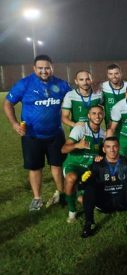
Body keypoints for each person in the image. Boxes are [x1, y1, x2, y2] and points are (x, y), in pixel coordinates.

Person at [3, 54, 71, 211]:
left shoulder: (61, 85)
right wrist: (14, 123)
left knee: (57, 165)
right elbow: (8, 104)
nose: (44, 71)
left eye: (47, 67)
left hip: (55, 134)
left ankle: (61, 194)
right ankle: (37, 198)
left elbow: (76, 98)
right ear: (34, 68)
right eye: (40, 68)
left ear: (52, 68)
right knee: (35, 168)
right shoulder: (24, 84)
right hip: (32, 136)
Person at [79, 137, 127, 238]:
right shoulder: (97, 164)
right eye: (108, 147)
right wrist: (83, 181)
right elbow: (83, 186)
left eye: (115, 146)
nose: (112, 149)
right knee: (90, 185)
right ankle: (89, 223)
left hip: (123, 202)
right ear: (103, 149)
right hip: (105, 202)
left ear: (119, 147)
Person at [61, 105, 106, 223]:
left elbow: (101, 153)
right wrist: (77, 145)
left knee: (89, 200)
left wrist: (100, 156)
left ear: (103, 115)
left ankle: (79, 192)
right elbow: (63, 149)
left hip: (88, 169)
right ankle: (72, 211)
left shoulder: (103, 134)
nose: (97, 116)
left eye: (100, 113)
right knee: (71, 178)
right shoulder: (80, 129)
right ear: (88, 116)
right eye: (94, 113)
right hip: (73, 165)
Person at [101, 64, 127, 128]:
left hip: (126, 122)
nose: (114, 76)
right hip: (110, 123)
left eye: (116, 73)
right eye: (110, 74)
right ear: (107, 75)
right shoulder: (103, 86)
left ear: (121, 74)